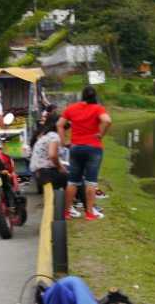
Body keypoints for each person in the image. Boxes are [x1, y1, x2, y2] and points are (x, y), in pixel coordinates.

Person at [57, 86, 112, 221]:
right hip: (93, 148)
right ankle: (89, 213)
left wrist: (63, 142)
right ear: (95, 96)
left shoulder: (71, 108)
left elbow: (59, 124)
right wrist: (101, 134)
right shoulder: (98, 108)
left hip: (75, 148)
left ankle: (67, 212)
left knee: (73, 182)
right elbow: (107, 121)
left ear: (82, 95)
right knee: (91, 182)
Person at [30, 113, 68, 190]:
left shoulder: (43, 135)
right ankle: (82, 200)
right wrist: (60, 167)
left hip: (38, 172)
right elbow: (52, 155)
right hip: (46, 172)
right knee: (74, 179)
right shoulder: (54, 136)